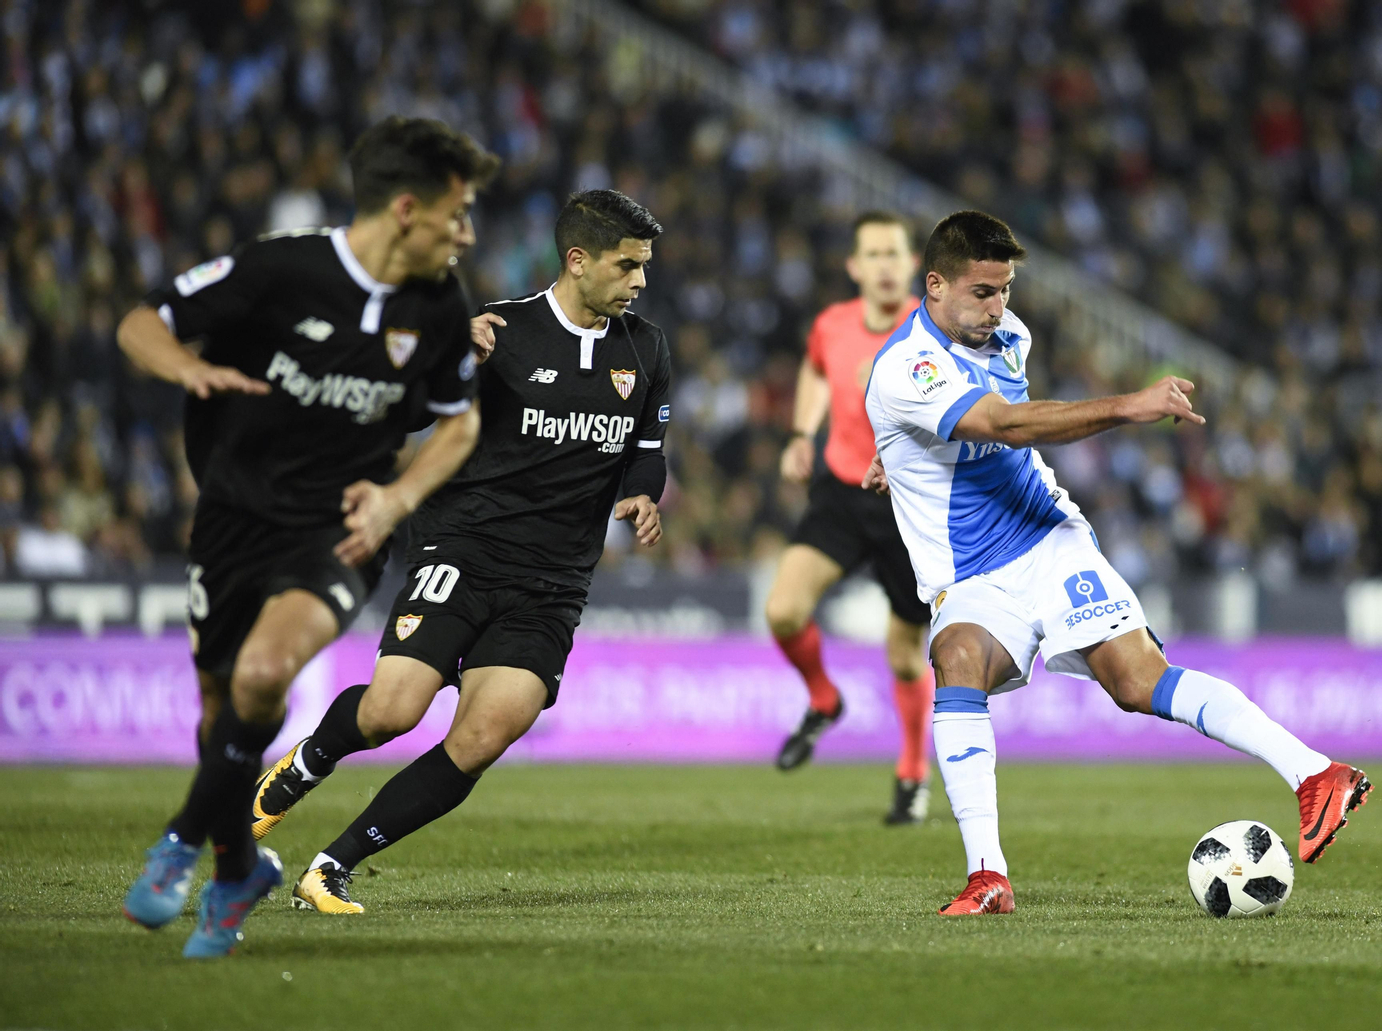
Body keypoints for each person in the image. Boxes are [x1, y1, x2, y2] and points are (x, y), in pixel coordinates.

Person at [862, 210, 1371, 916]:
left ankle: (1317, 773)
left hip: (1047, 539)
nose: (998, 308)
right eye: (982, 292)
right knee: (956, 657)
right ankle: (989, 875)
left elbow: (990, 420)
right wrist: (1129, 405)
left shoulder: (1010, 337)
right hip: (971, 576)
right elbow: (1002, 423)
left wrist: (902, 451)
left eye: (1005, 289)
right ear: (936, 284)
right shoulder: (905, 366)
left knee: (1137, 682)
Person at [118, 116, 498, 957]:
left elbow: (457, 426)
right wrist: (187, 368)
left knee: (261, 676)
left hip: (337, 529)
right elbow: (143, 320)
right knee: (220, 709)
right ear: (406, 209)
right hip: (231, 517)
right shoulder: (278, 269)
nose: (466, 234)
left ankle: (179, 842)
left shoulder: (438, 305)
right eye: (457, 214)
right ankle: (239, 867)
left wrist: (398, 498)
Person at [248, 189, 670, 915]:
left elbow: (647, 451)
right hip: (464, 548)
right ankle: (307, 761)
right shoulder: (498, 332)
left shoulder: (648, 349)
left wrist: (640, 493)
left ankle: (331, 866)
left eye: (644, 267)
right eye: (627, 266)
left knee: (481, 734)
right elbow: (408, 413)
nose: (640, 282)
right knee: (391, 712)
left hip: (554, 581)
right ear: (577, 261)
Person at [766, 211, 935, 824]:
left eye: (895, 253)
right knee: (783, 609)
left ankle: (913, 773)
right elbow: (814, 369)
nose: (886, 265)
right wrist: (799, 434)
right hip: (841, 489)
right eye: (874, 254)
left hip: (907, 503)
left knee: (905, 655)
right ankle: (823, 697)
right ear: (855, 267)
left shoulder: (933, 330)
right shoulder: (832, 326)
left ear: (914, 264)